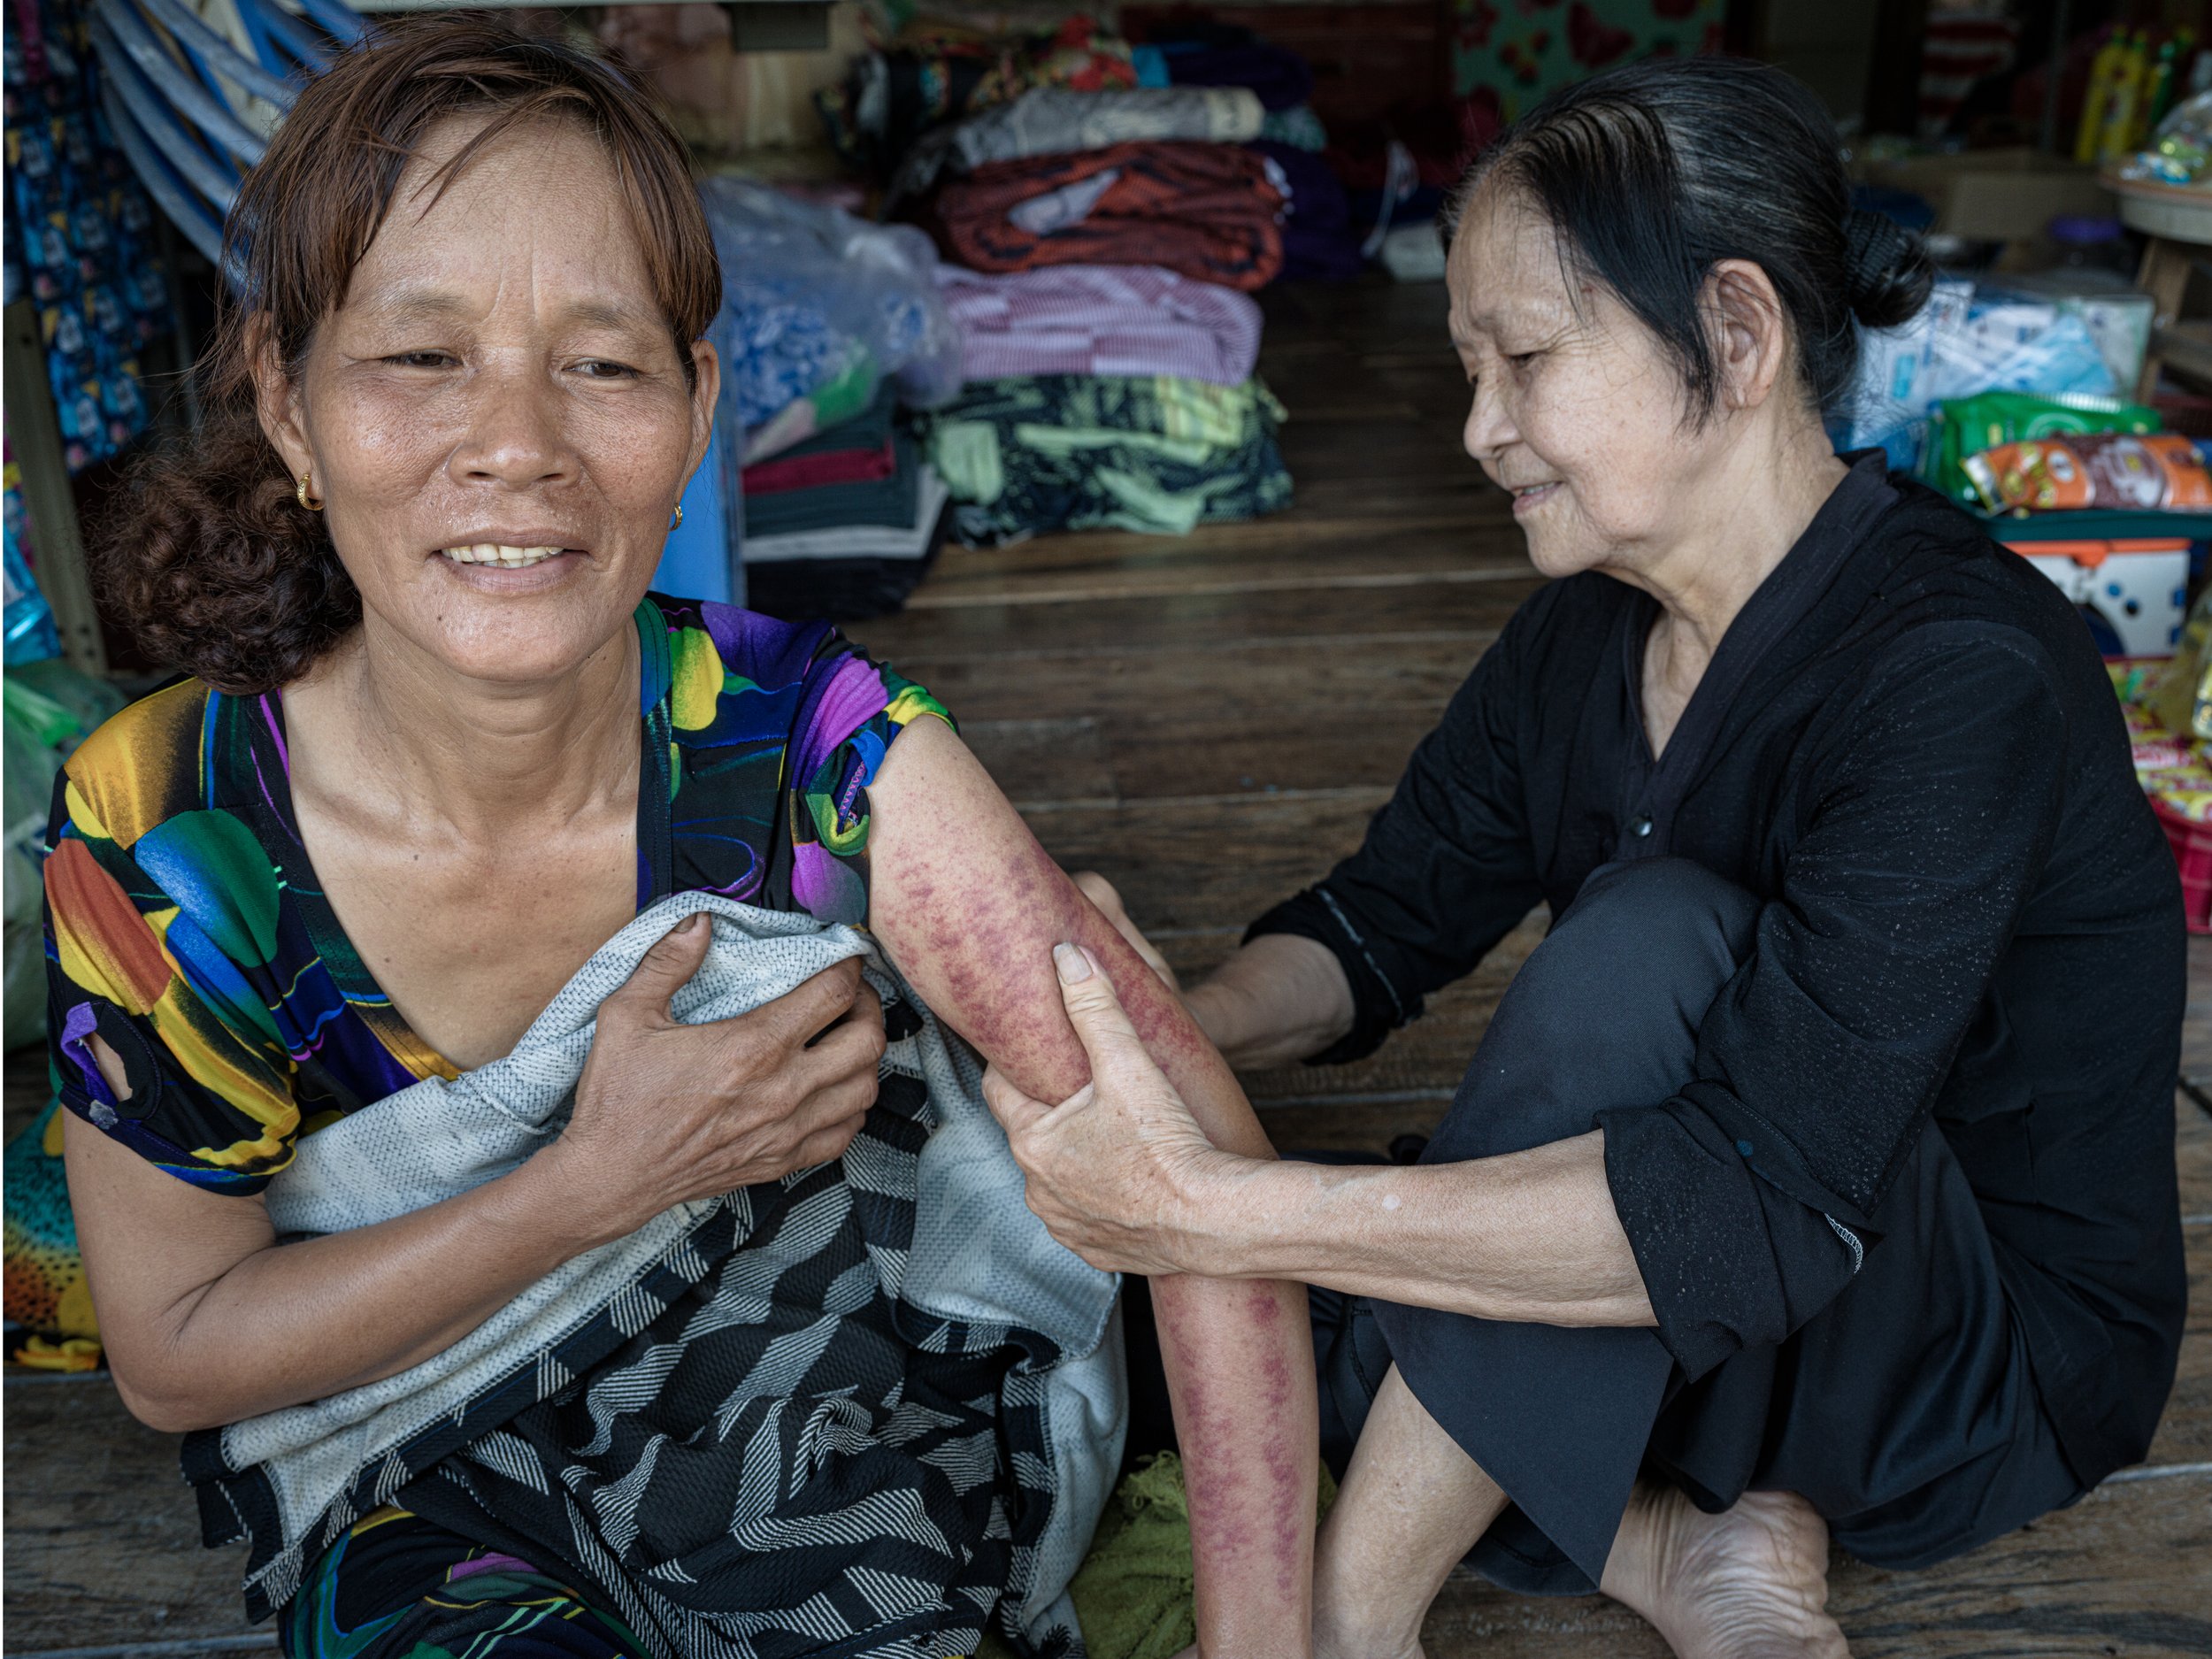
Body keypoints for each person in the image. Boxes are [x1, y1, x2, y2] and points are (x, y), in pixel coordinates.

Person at [45, 19, 1316, 1659]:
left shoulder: (813, 743)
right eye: (420, 358)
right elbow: (174, 1347)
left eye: (602, 360)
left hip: (824, 1418)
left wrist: (1277, 1638)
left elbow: (1188, 1172)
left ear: (697, 404)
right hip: (420, 1480)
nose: (518, 442)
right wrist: (590, 1184)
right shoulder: (172, 828)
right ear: (288, 402)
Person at [980, 55, 2186, 1659]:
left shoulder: (1958, 675)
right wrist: (1128, 1024)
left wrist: (1219, 1207)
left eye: (1527, 360)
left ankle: (1347, 1622)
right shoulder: (1584, 639)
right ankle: (1681, 1545)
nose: (1483, 430)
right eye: (1472, 368)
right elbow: (1375, 926)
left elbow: (1750, 1203)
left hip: (1955, 1356)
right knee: (1187, 1304)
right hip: (1706, 1262)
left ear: (1739, 337)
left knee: (1636, 955)